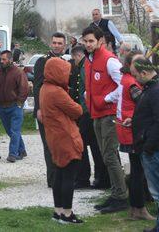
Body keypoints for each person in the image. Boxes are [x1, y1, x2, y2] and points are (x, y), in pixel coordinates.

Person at [81, 26, 128, 213]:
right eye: (85, 41)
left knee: (109, 155)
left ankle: (121, 197)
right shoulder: (89, 60)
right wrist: (88, 95)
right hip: (97, 113)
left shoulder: (109, 60)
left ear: (100, 41)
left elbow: (123, 85)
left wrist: (106, 99)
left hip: (108, 114)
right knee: (107, 155)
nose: (88, 44)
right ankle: (117, 192)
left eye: (91, 41)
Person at [130, 55, 159, 232]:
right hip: (152, 146)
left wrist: (147, 147)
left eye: (135, 75)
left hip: (155, 149)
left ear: (144, 73)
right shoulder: (154, 87)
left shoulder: (158, 91)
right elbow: (152, 117)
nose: (134, 79)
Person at [39, 57, 84, 224]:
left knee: (59, 173)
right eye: (65, 72)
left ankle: (58, 210)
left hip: (54, 137)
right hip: (65, 136)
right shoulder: (57, 92)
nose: (68, 75)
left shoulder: (45, 88)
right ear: (57, 72)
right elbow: (77, 111)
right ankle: (67, 213)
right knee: (68, 176)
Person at [117, 50, 155, 221]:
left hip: (128, 128)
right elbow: (143, 104)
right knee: (138, 172)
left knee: (136, 171)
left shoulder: (125, 79)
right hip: (133, 130)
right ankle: (139, 209)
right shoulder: (132, 83)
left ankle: (135, 208)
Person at [68, 45, 109, 190]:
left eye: (73, 58)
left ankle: (85, 178)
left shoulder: (85, 67)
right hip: (89, 112)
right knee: (94, 145)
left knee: (82, 145)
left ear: (77, 56)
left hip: (87, 113)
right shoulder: (86, 65)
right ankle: (99, 178)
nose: (73, 61)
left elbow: (86, 90)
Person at [33, 32, 67, 187]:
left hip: (59, 111)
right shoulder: (43, 61)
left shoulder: (64, 62)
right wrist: (39, 109)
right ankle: (53, 180)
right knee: (49, 144)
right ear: (50, 44)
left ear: (64, 45)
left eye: (60, 43)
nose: (57, 46)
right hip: (45, 110)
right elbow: (38, 87)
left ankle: (60, 176)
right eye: (54, 43)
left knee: (59, 144)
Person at [0, 50, 29, 162]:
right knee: (11, 131)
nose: (2, 61)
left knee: (14, 131)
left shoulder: (18, 72)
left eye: (4, 59)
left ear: (10, 60)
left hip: (15, 106)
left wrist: (19, 103)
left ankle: (13, 154)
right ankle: (22, 150)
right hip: (2, 106)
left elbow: (24, 89)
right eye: (1, 59)